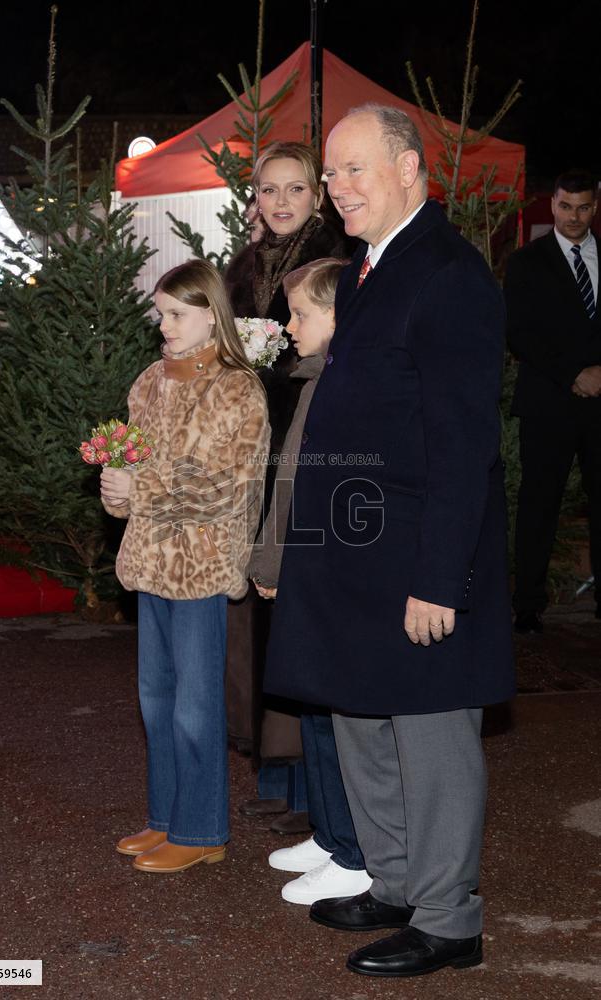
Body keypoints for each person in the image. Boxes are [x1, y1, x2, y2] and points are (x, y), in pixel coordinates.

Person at [264, 104, 515, 978]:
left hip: (417, 562)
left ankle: (450, 920)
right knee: (363, 717)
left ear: (409, 168)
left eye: (353, 170)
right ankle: (398, 882)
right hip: (358, 560)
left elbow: (462, 441)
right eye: (330, 174)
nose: (336, 189)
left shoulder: (448, 275)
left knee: (432, 738)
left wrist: (441, 578)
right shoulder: (373, 267)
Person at [100, 259, 269, 873]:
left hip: (199, 564)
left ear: (211, 315)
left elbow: (225, 482)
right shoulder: (149, 381)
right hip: (149, 559)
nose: (163, 324)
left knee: (196, 704)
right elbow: (132, 459)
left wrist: (138, 490)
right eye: (160, 314)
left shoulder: (236, 387)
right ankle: (166, 818)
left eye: (176, 314)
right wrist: (116, 490)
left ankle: (202, 832)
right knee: (155, 699)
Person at [224, 141, 355, 834]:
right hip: (250, 449)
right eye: (269, 190)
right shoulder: (243, 266)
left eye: (295, 190)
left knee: (299, 603)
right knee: (256, 610)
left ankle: (314, 780)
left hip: (307, 443)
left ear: (317, 196)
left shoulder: (334, 259)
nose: (280, 202)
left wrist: (273, 363)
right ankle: (272, 764)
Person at [249, 258, 371, 906]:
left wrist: (273, 563)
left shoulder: (338, 384)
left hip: (324, 573)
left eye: (301, 314)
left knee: (335, 715)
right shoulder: (311, 378)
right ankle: (331, 835)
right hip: (302, 571)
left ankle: (355, 849)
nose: (288, 325)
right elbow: (285, 486)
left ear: (338, 316)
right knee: (315, 712)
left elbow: (305, 489)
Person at [504, 169, 601, 632]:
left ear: (595, 206)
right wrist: (573, 374)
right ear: (553, 204)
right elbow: (519, 332)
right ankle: (528, 604)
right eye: (566, 206)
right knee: (539, 503)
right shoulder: (527, 262)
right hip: (548, 400)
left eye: (583, 207)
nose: (574, 216)